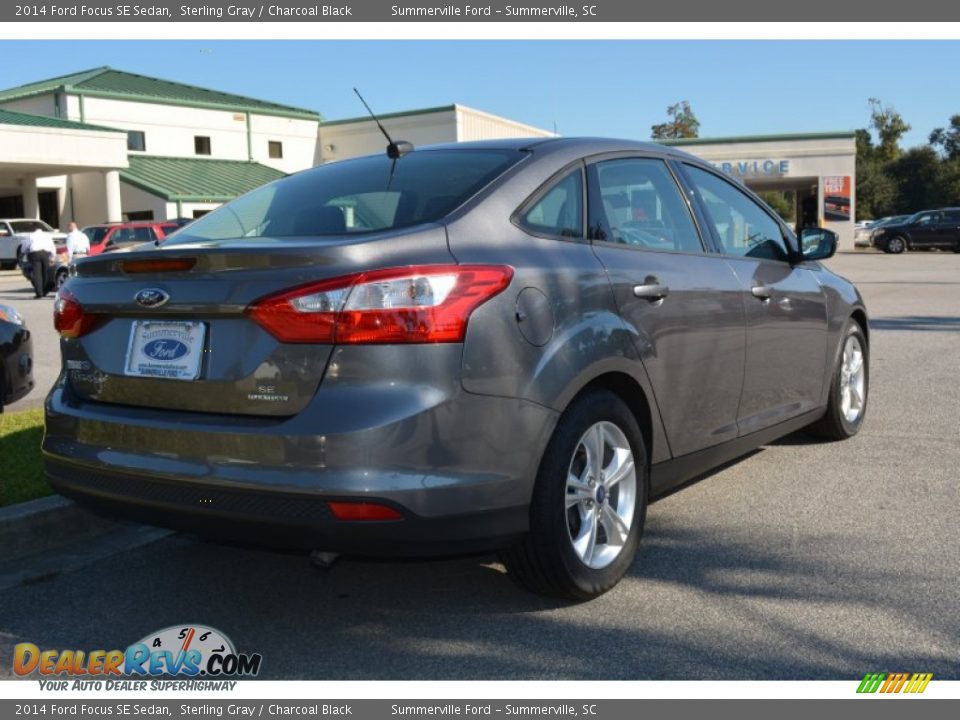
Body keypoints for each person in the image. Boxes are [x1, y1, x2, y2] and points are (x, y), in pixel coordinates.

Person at [23, 228, 55, 298]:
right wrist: (52, 257)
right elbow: (52, 247)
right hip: (45, 253)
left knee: (37, 274)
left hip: (34, 254)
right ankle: (45, 291)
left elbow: (24, 246)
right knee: (45, 273)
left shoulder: (30, 235)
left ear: (35, 230)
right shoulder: (47, 236)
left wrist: (24, 252)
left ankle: (39, 293)